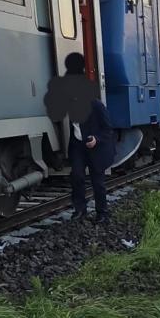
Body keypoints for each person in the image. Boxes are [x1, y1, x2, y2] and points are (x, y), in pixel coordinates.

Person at [60, 53, 115, 223]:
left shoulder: (96, 105)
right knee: (76, 176)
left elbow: (108, 129)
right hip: (77, 145)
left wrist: (96, 139)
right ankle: (80, 210)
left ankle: (102, 213)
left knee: (97, 180)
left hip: (95, 147)